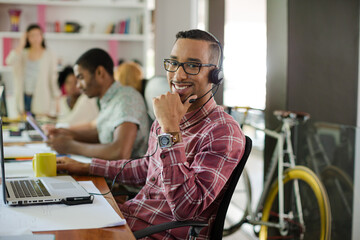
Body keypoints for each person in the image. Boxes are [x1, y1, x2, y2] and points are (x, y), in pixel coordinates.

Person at [56, 30, 245, 239]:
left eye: (192, 65)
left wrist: (170, 129)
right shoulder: (168, 116)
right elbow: (147, 167)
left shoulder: (222, 132)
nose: (178, 75)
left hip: (158, 235)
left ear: (215, 74)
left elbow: (186, 209)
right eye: (173, 63)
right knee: (56, 217)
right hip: (129, 219)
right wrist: (87, 166)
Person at [46, 48, 149, 160]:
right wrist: (65, 133)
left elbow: (119, 153)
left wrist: (70, 146)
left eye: (81, 77)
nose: (78, 86)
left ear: (100, 73)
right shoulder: (108, 100)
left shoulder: (126, 98)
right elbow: (102, 133)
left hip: (126, 176)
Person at [6, 23, 60, 117]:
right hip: (24, 96)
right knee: (24, 125)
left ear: (42, 36)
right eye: (31, 35)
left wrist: (56, 99)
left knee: (39, 125)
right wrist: (21, 44)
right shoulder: (23, 53)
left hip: (41, 96)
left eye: (37, 35)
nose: (35, 38)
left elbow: (52, 78)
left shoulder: (49, 54)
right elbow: (9, 61)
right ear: (27, 37)